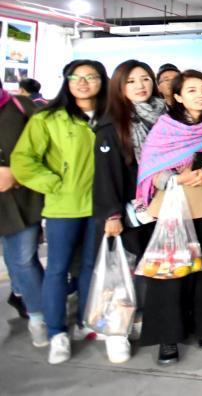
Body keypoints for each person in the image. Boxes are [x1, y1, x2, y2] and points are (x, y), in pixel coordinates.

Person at [12, 59, 109, 365]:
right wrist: (54, 183)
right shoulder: (48, 118)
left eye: (91, 77)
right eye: (76, 77)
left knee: (90, 267)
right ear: (66, 82)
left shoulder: (110, 116)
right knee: (57, 268)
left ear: (102, 81)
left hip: (100, 206)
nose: (83, 82)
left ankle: (83, 321)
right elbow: (24, 159)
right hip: (63, 206)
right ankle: (57, 332)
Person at [134, 69, 202, 365]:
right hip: (172, 209)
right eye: (191, 90)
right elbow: (150, 166)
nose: (200, 94)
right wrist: (171, 179)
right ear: (177, 97)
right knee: (170, 273)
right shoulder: (166, 126)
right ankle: (168, 337)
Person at [93, 60, 167, 363]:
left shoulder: (165, 116)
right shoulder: (112, 125)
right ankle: (116, 332)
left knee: (152, 271)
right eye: (131, 81)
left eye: (145, 79)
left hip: (160, 208)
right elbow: (106, 174)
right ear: (119, 87)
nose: (140, 86)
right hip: (129, 210)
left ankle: (140, 321)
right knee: (123, 273)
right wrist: (112, 215)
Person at [0, 87, 45, 347]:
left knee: (23, 258)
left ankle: (40, 317)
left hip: (24, 199)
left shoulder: (20, 106)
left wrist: (17, 173)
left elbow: (47, 145)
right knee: (14, 257)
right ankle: (21, 294)